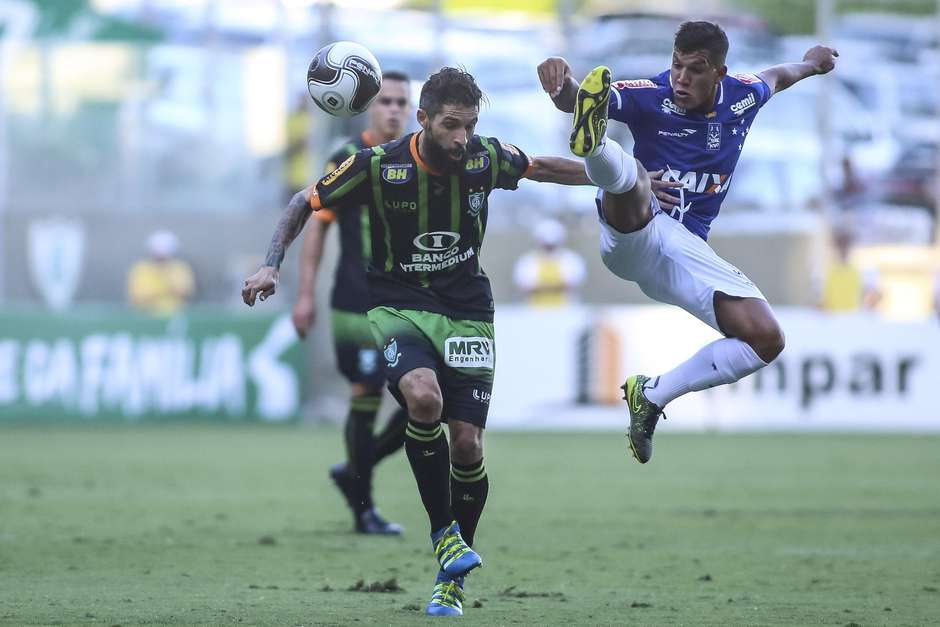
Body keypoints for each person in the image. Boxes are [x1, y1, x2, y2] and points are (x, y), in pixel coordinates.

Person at [243, 67, 589, 617]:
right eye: (451, 125)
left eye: (470, 125)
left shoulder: (485, 157)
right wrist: (271, 265)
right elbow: (303, 202)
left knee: (469, 445)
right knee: (423, 398)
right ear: (423, 119)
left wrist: (624, 179)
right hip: (398, 303)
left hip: (468, 309)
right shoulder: (377, 165)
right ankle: (443, 535)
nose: (462, 137)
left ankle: (450, 580)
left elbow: (543, 167)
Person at [538, 21, 837, 463]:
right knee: (633, 180)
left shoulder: (742, 95)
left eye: (695, 69)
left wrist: (812, 64)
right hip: (635, 231)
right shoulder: (651, 95)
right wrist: (562, 87)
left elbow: (777, 76)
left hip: (684, 252)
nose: (680, 78)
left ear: (719, 73)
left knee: (767, 340)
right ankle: (595, 146)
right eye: (676, 65)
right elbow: (578, 98)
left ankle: (653, 395)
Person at [291, 71, 413, 536]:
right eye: (385, 101)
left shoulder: (419, 155)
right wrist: (305, 294)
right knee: (366, 393)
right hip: (355, 300)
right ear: (368, 108)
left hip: (406, 302)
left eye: (401, 102)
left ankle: (355, 468)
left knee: (430, 400)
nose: (393, 110)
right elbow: (317, 225)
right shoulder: (346, 158)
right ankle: (364, 509)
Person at [512, 218, 587, 306]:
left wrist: (541, 287)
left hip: (566, 309)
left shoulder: (572, 260)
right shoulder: (527, 261)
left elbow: (573, 284)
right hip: (533, 310)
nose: (549, 247)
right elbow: (524, 286)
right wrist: (556, 286)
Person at [127, 230, 195, 316]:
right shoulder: (141, 269)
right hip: (146, 315)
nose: (160, 259)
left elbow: (185, 292)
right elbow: (136, 297)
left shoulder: (180, 268)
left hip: (175, 314)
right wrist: (166, 290)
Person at [818, 225, 881, 312]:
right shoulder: (828, 271)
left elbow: (870, 296)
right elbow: (822, 300)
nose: (843, 250)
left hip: (852, 318)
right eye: (841, 247)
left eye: (846, 246)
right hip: (833, 318)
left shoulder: (858, 271)